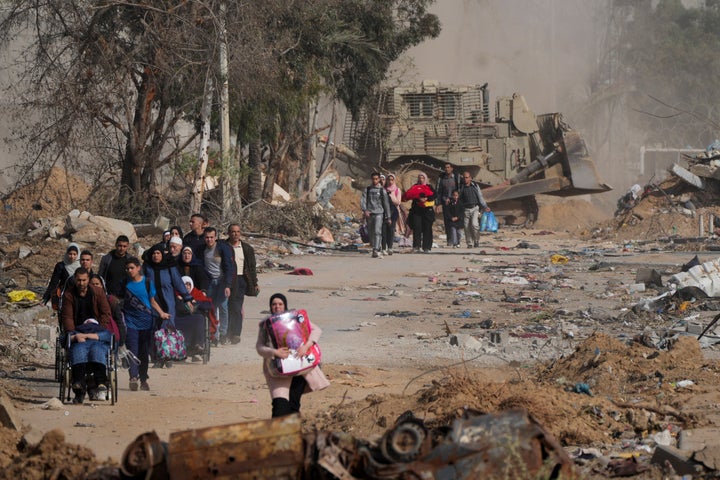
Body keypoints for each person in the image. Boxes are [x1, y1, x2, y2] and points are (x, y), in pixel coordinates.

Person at [256, 293, 329, 418]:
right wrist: (274, 352)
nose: (277, 307)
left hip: (300, 369)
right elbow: (260, 347)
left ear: (285, 306)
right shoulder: (266, 325)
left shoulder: (296, 318)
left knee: (293, 405)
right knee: (280, 406)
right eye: (274, 304)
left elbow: (316, 330)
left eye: (280, 304)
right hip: (278, 370)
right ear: (270, 307)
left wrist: (306, 346)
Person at [60, 267, 113, 403]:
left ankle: (101, 382)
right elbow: (67, 317)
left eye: (84, 280)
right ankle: (78, 385)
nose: (81, 283)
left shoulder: (98, 292)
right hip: (78, 331)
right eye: (78, 280)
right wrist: (75, 334)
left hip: (96, 331)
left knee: (97, 350)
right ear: (75, 280)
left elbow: (106, 313)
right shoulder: (69, 295)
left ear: (88, 280)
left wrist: (96, 329)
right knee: (79, 350)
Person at [123, 257, 170, 392]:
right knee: (132, 350)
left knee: (144, 352)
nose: (130, 271)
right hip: (130, 322)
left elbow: (152, 301)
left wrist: (161, 313)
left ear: (138, 268)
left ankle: (143, 379)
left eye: (132, 268)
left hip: (147, 322)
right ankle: (133, 377)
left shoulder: (147, 283)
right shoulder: (124, 283)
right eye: (127, 268)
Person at [142, 243, 194, 368]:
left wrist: (187, 298)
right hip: (153, 302)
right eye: (154, 253)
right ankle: (157, 357)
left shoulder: (169, 266)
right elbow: (141, 282)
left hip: (168, 301)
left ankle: (168, 356)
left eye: (158, 253)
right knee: (154, 328)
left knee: (168, 327)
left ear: (162, 254)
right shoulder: (147, 267)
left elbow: (177, 282)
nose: (156, 256)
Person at [199, 227, 236, 345]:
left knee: (223, 307)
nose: (209, 240)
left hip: (222, 281)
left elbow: (229, 267)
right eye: (207, 237)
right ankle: (214, 335)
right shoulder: (202, 249)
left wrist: (228, 285)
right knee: (212, 309)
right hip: (210, 282)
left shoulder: (222, 248)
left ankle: (223, 333)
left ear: (215, 237)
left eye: (211, 237)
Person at [226, 224, 259, 344]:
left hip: (241, 280)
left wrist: (255, 283)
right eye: (233, 232)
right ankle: (226, 332)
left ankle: (235, 333)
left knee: (237, 307)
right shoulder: (224, 247)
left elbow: (251, 267)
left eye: (238, 232)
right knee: (226, 307)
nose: (235, 234)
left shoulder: (247, 249)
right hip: (227, 280)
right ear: (229, 233)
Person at [175, 276, 215, 362]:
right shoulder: (176, 294)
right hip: (179, 317)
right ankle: (180, 346)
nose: (187, 287)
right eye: (185, 284)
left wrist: (196, 302)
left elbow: (208, 305)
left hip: (194, 317)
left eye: (189, 284)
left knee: (199, 319)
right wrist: (180, 301)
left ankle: (197, 345)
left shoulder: (196, 293)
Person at [402, 173, 436, 253]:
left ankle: (426, 247)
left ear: (425, 179)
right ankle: (416, 246)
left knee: (427, 228)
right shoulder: (415, 186)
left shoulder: (429, 187)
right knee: (417, 227)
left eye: (423, 178)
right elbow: (409, 195)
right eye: (419, 178)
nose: (421, 180)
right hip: (417, 210)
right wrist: (418, 199)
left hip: (427, 210)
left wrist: (426, 198)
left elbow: (435, 195)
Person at [360, 172, 391, 258]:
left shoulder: (382, 190)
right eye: (373, 179)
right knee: (371, 232)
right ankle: (375, 245)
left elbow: (386, 204)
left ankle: (376, 249)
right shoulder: (368, 189)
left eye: (376, 179)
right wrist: (365, 210)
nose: (375, 180)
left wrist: (388, 217)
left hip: (379, 213)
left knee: (377, 231)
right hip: (369, 214)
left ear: (379, 179)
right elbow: (363, 200)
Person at [42, 243, 81, 310]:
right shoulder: (61, 266)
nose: (72, 257)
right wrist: (46, 297)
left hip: (79, 297)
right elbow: (54, 282)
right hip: (65, 297)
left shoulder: (82, 266)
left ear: (78, 255)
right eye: (70, 254)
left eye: (74, 254)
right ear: (66, 254)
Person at [458, 171, 490, 248]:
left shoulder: (475, 186)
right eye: (464, 178)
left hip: (475, 208)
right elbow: (459, 198)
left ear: (470, 178)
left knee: (474, 225)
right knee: (466, 227)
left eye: (467, 177)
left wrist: (485, 206)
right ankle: (469, 243)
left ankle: (476, 240)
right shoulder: (461, 187)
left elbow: (480, 197)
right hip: (466, 209)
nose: (465, 179)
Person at [435, 163, 461, 247]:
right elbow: (438, 191)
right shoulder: (441, 178)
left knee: (457, 221)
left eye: (448, 167)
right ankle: (449, 240)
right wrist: (438, 203)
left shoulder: (456, 178)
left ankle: (457, 240)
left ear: (452, 168)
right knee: (447, 222)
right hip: (445, 202)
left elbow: (459, 189)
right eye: (445, 167)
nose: (447, 169)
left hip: (455, 202)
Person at [381, 173, 402, 255]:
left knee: (391, 230)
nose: (390, 181)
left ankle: (390, 247)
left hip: (393, 212)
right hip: (384, 212)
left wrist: (391, 195)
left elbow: (398, 202)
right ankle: (384, 247)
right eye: (389, 180)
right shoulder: (383, 189)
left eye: (392, 180)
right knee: (384, 231)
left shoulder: (397, 190)